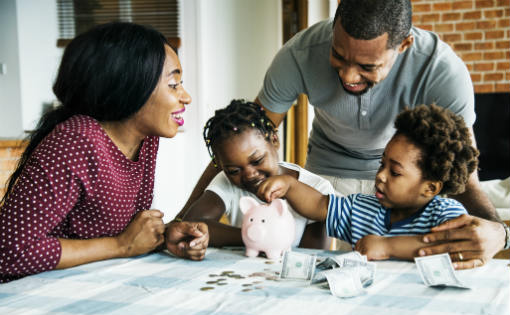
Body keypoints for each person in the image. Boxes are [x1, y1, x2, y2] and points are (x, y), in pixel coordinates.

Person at [176, 0, 509, 268]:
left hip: (406, 177)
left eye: (367, 67)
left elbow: (466, 179)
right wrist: (178, 221)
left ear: (404, 45)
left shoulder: (441, 70)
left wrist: (500, 233)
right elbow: (243, 137)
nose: (349, 76)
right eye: (338, 55)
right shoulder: (299, 54)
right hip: (328, 177)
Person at [0, 22, 208, 283]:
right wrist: (122, 246)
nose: (186, 97)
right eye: (173, 84)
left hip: (89, 285)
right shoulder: (76, 141)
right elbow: (9, 252)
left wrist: (162, 236)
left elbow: (117, 234)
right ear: (130, 85)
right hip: (25, 298)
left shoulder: (146, 141)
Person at [258, 105, 479, 263]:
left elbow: (450, 247)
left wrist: (387, 247)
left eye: (394, 172)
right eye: (382, 164)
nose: (381, 176)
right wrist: (289, 185)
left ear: (430, 188)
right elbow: (318, 205)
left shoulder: (446, 215)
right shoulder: (362, 208)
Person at [176, 99, 335, 250]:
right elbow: (191, 224)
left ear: (274, 140)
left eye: (257, 160)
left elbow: (313, 256)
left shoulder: (318, 189)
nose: (250, 175)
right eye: (234, 170)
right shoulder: (227, 181)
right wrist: (252, 236)